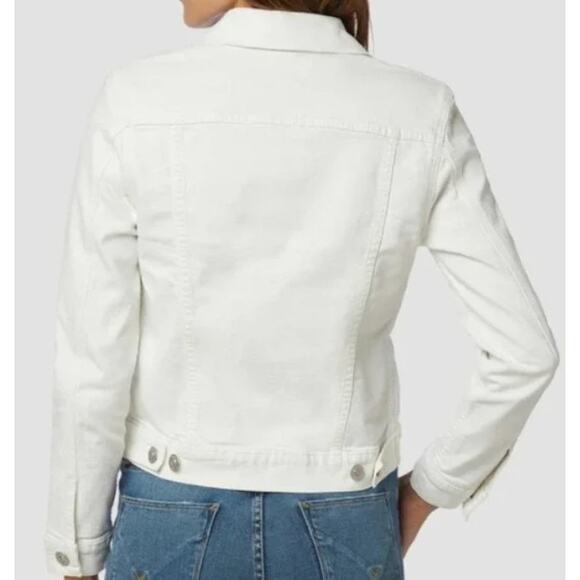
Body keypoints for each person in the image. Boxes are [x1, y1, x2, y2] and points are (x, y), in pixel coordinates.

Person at [44, 1, 560, 579]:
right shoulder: (418, 111)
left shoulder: (136, 101)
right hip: (347, 518)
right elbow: (526, 353)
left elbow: (93, 362)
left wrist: (77, 555)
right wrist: (430, 490)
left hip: (171, 510)